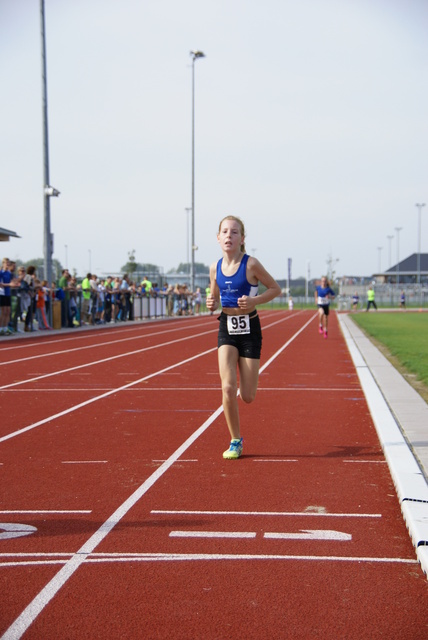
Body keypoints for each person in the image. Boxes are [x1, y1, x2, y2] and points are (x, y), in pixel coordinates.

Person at [206, 215, 281, 460]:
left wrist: (254, 301)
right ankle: (235, 440)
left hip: (249, 328)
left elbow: (275, 289)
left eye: (234, 232)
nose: (229, 235)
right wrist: (210, 302)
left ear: (242, 239)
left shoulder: (251, 265)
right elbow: (214, 297)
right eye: (225, 232)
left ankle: (241, 401)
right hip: (227, 326)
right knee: (227, 387)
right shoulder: (214, 268)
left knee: (247, 396)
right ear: (218, 238)